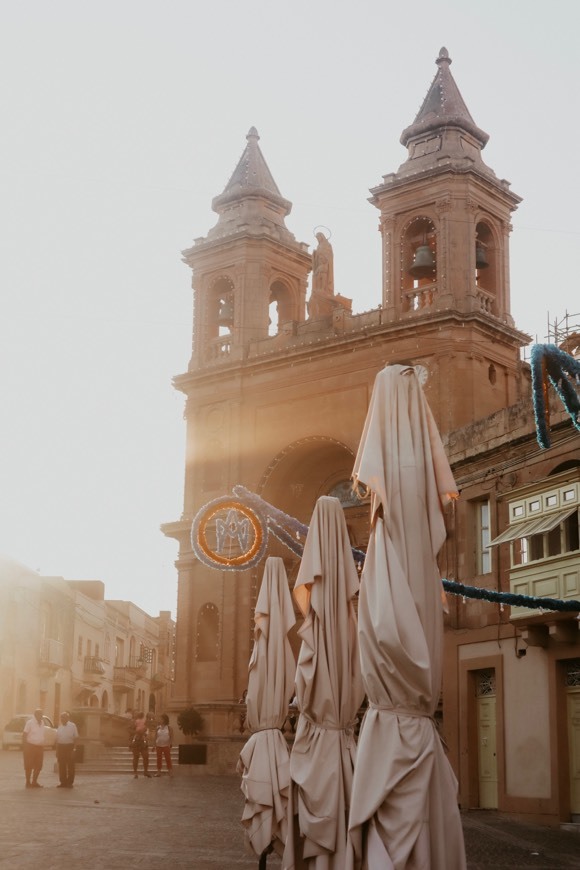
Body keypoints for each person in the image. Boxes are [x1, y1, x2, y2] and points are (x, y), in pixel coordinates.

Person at [23, 708, 45, 788]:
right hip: (30, 747)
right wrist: (25, 747)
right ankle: (28, 782)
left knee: (38, 766)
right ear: (36, 715)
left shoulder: (42, 722)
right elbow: (24, 735)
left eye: (42, 714)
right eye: (40, 714)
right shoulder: (30, 723)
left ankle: (34, 782)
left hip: (40, 747)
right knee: (29, 765)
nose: (41, 716)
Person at [55, 711, 79, 788]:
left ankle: (70, 782)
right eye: (61, 717)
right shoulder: (59, 727)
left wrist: (74, 749)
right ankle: (63, 782)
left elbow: (76, 738)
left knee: (70, 766)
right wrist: (57, 750)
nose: (62, 719)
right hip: (61, 747)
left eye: (64, 717)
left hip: (70, 747)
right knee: (61, 765)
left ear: (68, 718)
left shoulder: (72, 726)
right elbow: (57, 740)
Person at [129, 711, 151, 778]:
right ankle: (135, 773)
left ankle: (145, 771)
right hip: (136, 740)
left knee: (146, 756)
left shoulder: (145, 721)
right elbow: (129, 730)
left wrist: (144, 730)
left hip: (143, 740)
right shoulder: (133, 722)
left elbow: (147, 730)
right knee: (136, 757)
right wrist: (136, 731)